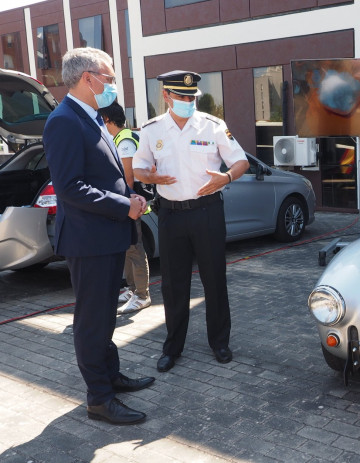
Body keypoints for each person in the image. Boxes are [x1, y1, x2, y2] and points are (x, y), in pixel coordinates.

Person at [42, 47, 154, 425]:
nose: (112, 85)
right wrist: (123, 206)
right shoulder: (64, 121)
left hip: (106, 238)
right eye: (108, 77)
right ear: (87, 77)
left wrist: (131, 196)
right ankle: (99, 399)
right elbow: (70, 187)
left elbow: (104, 177)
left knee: (105, 317)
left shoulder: (90, 117)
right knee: (92, 321)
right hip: (89, 242)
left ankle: (111, 377)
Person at [132, 70, 250, 373]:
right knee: (173, 285)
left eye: (192, 97)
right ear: (167, 96)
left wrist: (225, 177)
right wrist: (150, 176)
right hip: (170, 214)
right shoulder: (151, 130)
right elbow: (139, 168)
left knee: (215, 280)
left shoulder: (212, 126)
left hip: (207, 212)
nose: (188, 101)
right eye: (182, 97)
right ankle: (172, 348)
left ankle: (220, 343)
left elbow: (241, 161)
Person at [98, 101, 152, 314]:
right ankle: (132, 289)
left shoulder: (125, 141)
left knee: (135, 248)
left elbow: (127, 179)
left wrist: (122, 205)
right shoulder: (118, 139)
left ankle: (142, 294)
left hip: (130, 203)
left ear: (106, 119)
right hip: (124, 203)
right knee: (127, 248)